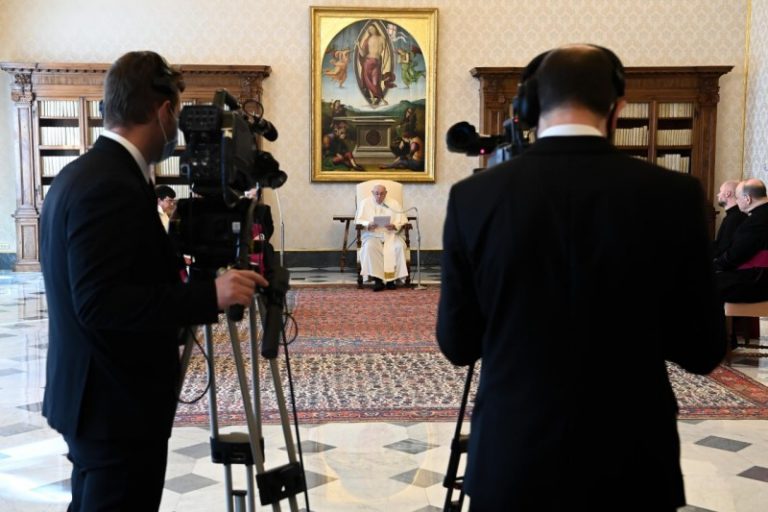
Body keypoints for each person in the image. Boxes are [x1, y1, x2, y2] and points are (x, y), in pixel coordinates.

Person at [436, 44, 725, 511]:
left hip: (513, 454)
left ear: (528, 108)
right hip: (633, 457)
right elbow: (703, 349)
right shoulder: (674, 194)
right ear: (619, 109)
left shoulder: (474, 198)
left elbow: (457, 342)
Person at [39, 51, 267, 512]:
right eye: (178, 114)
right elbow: (102, 303)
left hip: (96, 398)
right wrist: (211, 295)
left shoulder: (82, 173)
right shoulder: (110, 185)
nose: (178, 126)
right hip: (113, 406)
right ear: (164, 112)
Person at [714, 178, 768, 302]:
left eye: (737, 198)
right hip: (760, 275)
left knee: (698, 283)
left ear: (747, 199)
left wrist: (714, 265)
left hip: (758, 280)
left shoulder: (756, 221)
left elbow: (735, 255)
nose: (737, 202)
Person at [355, 184, 408, 291]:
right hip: (372, 235)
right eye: (376, 193)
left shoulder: (393, 203)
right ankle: (378, 280)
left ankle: (391, 280)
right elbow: (358, 220)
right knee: (370, 247)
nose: (379, 196)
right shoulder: (365, 203)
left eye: (382, 194)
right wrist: (368, 224)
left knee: (398, 247)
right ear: (372, 193)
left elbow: (402, 220)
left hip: (391, 234)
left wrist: (394, 226)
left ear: (386, 193)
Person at [713, 179, 748, 258]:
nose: (717, 195)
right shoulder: (733, 215)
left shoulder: (735, 218)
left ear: (727, 194)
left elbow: (723, 249)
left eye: (720, 191)